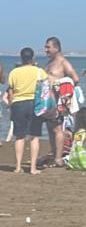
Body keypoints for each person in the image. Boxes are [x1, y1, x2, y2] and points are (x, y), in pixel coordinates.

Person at [5, 47, 46, 175]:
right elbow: (45, 90)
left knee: (19, 136)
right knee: (34, 136)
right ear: (33, 58)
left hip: (18, 103)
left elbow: (11, 92)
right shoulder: (40, 71)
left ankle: (18, 167)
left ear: (21, 58)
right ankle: (33, 168)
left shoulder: (14, 72)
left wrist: (11, 106)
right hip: (35, 103)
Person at [43, 37, 81, 166]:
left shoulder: (63, 62)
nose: (46, 49)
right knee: (50, 129)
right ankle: (55, 156)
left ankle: (58, 159)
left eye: (48, 47)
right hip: (47, 102)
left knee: (58, 129)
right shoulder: (50, 62)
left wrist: (61, 87)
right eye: (45, 47)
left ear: (56, 48)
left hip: (58, 102)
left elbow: (75, 78)